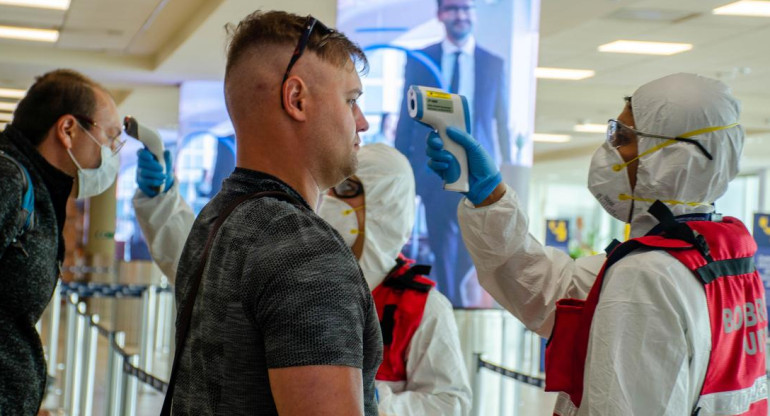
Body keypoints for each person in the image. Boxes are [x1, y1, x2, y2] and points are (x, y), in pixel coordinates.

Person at [426, 73, 768, 415]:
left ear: (673, 156)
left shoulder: (646, 274)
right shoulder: (721, 261)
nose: (610, 149)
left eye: (624, 137)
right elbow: (552, 289)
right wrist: (490, 197)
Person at [165, 11, 381, 415]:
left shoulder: (215, 220)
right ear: (296, 99)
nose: (363, 122)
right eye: (351, 100)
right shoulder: (304, 249)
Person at [0, 69, 122, 415]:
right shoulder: (9, 181)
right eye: (110, 137)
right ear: (68, 129)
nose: (113, 152)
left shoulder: (37, 191)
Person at [318, 143, 472, 415]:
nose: (329, 201)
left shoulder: (424, 309)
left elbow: (450, 404)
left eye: (346, 190)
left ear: (383, 205)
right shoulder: (305, 287)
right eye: (329, 189)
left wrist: (375, 400)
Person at [394, 0, 511, 306]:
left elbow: (501, 124)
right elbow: (406, 118)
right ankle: (448, 303)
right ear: (440, 14)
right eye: (453, 8)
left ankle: (457, 300)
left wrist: (505, 172)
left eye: (466, 8)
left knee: (469, 246)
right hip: (432, 169)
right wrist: (403, 171)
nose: (460, 15)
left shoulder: (493, 63)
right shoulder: (421, 60)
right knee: (440, 243)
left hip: (477, 172)